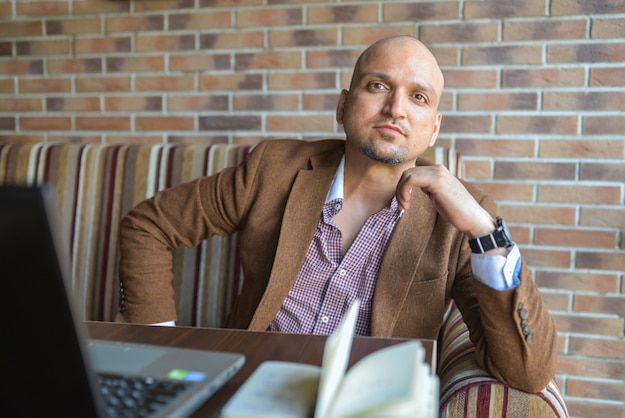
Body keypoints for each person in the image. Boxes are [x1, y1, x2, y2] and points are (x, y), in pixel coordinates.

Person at [117, 35, 556, 393]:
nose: (396, 108)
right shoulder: (273, 169)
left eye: (418, 97)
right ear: (343, 105)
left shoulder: (461, 220)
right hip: (249, 392)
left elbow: (526, 373)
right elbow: (148, 226)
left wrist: (484, 231)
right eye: (378, 86)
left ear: (433, 126)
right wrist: (160, 342)